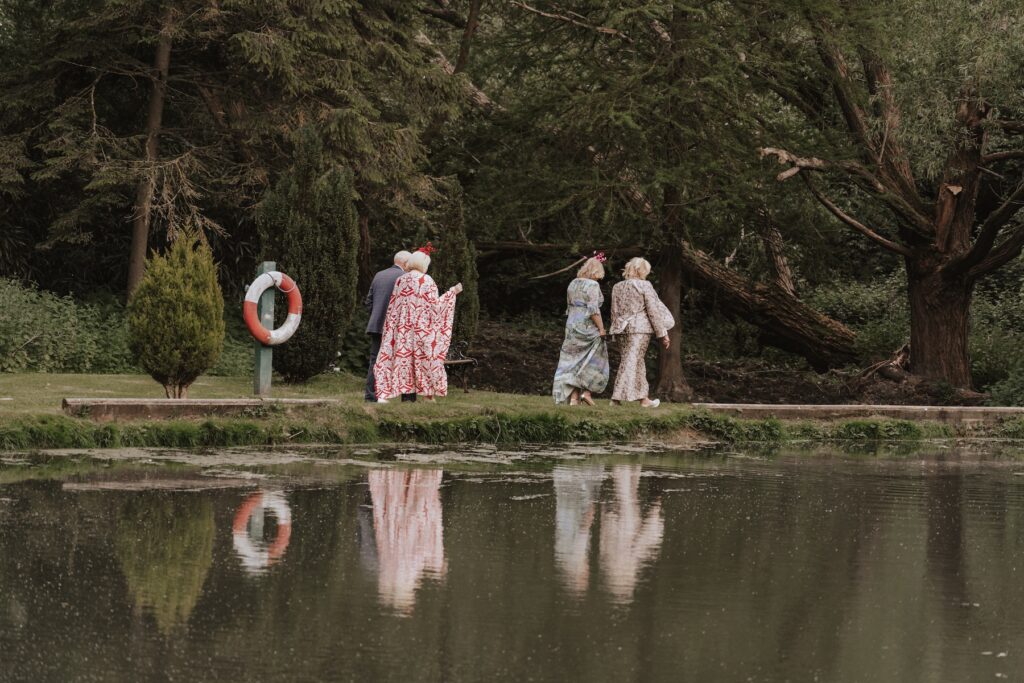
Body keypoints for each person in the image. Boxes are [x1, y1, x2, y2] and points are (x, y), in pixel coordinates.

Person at [373, 245, 463, 403]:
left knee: (404, 360)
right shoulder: (426, 281)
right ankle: (428, 395)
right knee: (425, 360)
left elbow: (394, 306)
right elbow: (435, 307)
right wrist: (452, 293)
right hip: (420, 331)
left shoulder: (400, 280)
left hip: (401, 330)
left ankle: (407, 396)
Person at [608, 257, 674, 408]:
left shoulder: (617, 287)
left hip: (621, 329)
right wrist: (663, 333)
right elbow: (653, 311)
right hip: (639, 329)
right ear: (641, 270)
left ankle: (644, 399)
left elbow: (614, 311)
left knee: (636, 361)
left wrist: (615, 329)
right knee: (631, 361)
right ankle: (616, 398)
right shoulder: (645, 285)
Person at [552, 255, 610, 406]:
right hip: (586, 326)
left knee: (572, 361)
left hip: (571, 325)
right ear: (597, 271)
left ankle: (573, 398)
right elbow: (593, 310)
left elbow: (569, 305)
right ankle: (586, 392)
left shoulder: (572, 283)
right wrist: (602, 329)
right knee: (596, 357)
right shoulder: (593, 285)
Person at [365, 250, 412, 402]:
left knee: (375, 360)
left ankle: (371, 396)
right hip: (398, 327)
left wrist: (376, 316)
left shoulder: (379, 275)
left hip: (376, 324)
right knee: (404, 360)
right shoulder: (406, 278)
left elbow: (369, 302)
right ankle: (407, 397)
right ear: (405, 263)